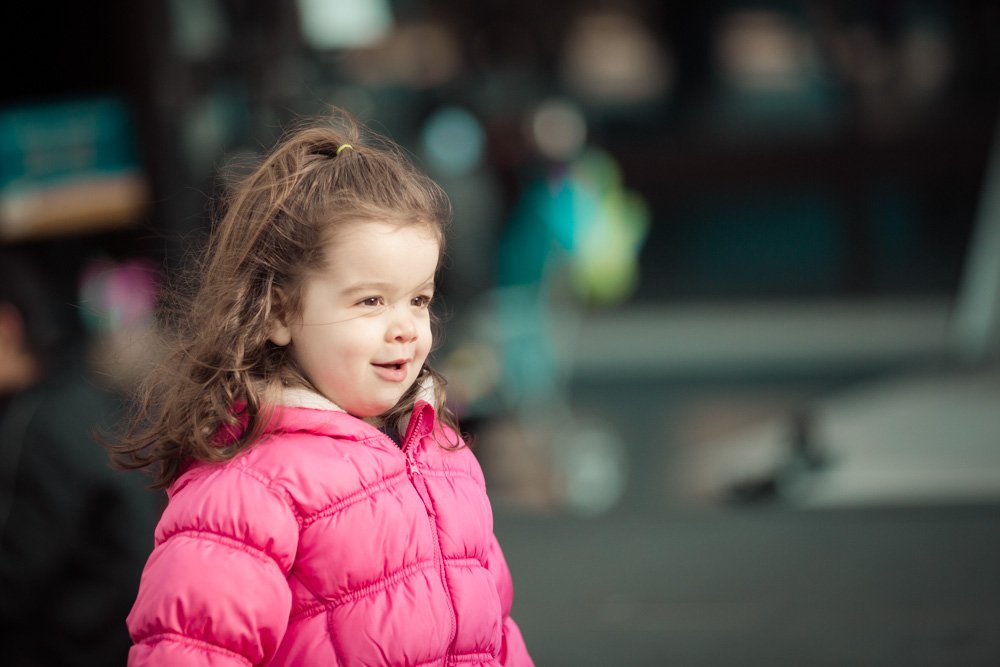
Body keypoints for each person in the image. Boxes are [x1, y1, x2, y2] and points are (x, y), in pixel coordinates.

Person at [113, 114, 533, 666]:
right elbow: (191, 650)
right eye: (370, 301)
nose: (406, 327)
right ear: (278, 313)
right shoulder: (251, 485)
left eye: (419, 300)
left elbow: (496, 634)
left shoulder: (446, 456)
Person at [0, 246, 160, 666]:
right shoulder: (92, 388)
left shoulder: (33, 424)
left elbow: (14, 577)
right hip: (139, 635)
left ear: (7, 326)